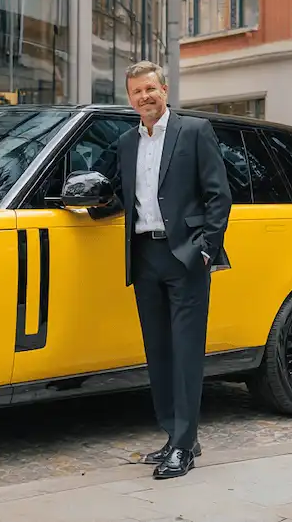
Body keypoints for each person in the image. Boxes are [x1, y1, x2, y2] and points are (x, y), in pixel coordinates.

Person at [90, 60, 232, 479]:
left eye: (150, 89)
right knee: (158, 352)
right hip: (143, 256)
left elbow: (218, 195)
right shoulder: (126, 142)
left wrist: (205, 250)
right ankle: (176, 434)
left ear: (164, 90)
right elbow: (122, 196)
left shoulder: (194, 131)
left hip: (185, 256)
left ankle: (184, 447)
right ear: (130, 98)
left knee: (186, 353)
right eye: (136, 92)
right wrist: (87, 206)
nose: (144, 97)